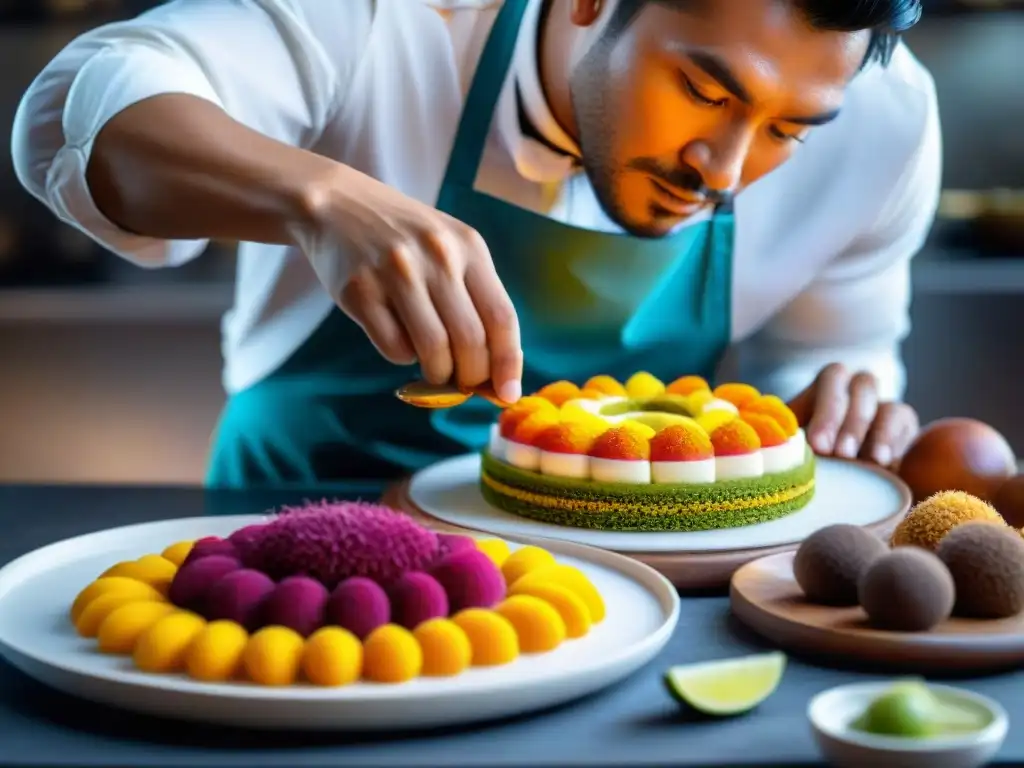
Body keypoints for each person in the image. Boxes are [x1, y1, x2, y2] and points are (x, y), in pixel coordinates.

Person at [12, 0, 940, 495]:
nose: (727, 168)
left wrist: (847, 397)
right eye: (704, 92)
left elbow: (830, 349)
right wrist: (321, 199)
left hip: (618, 589)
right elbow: (74, 113)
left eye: (787, 130)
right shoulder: (387, 20)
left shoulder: (884, 123)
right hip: (295, 542)